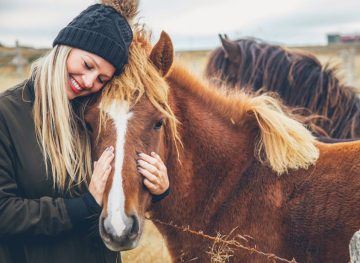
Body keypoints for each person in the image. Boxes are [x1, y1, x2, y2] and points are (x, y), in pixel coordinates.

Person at [0, 2, 170, 263]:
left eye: (102, 79)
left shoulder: (92, 112)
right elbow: (4, 212)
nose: (90, 82)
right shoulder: (7, 114)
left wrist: (158, 189)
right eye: (88, 64)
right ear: (66, 48)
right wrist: (84, 207)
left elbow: (117, 180)